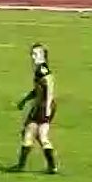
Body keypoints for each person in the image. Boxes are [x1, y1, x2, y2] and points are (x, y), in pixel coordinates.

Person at [13, 44, 58, 174]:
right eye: (32, 54)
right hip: (45, 106)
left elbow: (49, 87)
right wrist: (25, 100)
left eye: (36, 54)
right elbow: (38, 89)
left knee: (31, 133)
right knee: (39, 135)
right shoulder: (40, 69)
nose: (33, 57)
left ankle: (21, 166)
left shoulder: (43, 71)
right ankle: (52, 167)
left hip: (42, 107)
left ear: (43, 56)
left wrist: (47, 107)